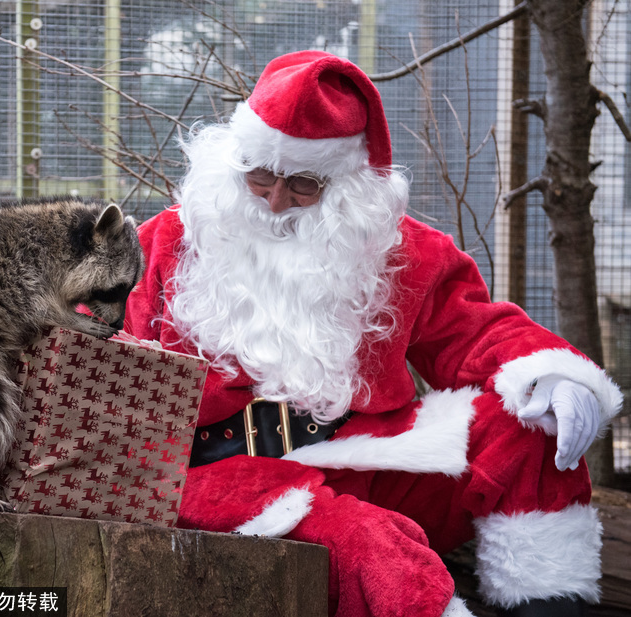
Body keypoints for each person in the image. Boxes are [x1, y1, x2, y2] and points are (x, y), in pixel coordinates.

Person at [122, 51, 623, 617]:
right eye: (258, 176)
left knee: (525, 430)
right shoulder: (162, 244)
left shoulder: (398, 251)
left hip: (355, 458)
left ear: (345, 188)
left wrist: (554, 374)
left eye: (304, 184)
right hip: (216, 481)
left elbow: (476, 331)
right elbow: (85, 350)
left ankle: (547, 606)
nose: (276, 200)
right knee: (371, 542)